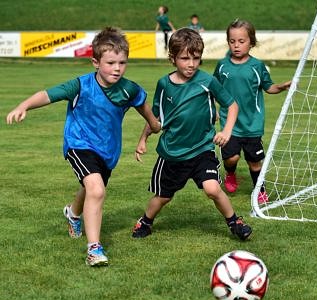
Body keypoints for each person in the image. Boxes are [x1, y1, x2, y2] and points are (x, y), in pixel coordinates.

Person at [6, 27, 154, 267]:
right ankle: (94, 249)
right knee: (96, 189)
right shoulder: (81, 86)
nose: (117, 68)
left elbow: (144, 108)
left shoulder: (129, 89)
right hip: (79, 143)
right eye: (110, 62)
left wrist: (155, 126)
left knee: (90, 188)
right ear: (95, 62)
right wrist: (24, 106)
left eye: (122, 62)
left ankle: (73, 214)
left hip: (108, 151)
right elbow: (48, 94)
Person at [131, 28, 252, 241]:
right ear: (173, 58)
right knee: (162, 197)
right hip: (173, 153)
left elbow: (232, 105)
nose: (191, 64)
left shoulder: (207, 81)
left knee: (212, 189)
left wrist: (226, 131)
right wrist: (143, 139)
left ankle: (235, 222)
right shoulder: (164, 84)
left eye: (196, 58)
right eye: (185, 58)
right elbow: (156, 119)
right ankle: (146, 222)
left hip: (202, 149)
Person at [213, 19, 291, 204]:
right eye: (232, 41)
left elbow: (268, 87)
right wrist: (212, 109)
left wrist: (280, 86)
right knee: (232, 158)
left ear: (251, 42)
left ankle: (260, 190)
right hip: (229, 124)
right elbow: (214, 88)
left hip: (252, 123)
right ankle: (230, 173)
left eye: (241, 41)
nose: (237, 45)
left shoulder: (257, 66)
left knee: (254, 162)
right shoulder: (222, 66)